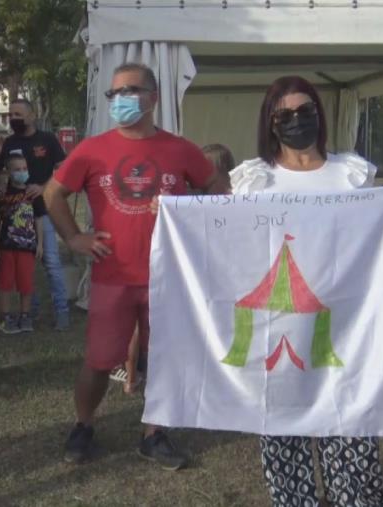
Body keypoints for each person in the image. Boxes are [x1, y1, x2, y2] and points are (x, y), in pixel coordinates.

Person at [228, 75, 383, 507]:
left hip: (346, 329)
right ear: (270, 122)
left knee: (349, 423)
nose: (297, 120)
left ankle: (355, 498)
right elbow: (232, 246)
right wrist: (173, 213)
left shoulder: (349, 174)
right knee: (284, 435)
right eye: (285, 114)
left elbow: (379, 235)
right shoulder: (255, 180)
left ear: (319, 114)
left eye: (305, 110)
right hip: (278, 329)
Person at [43, 62, 226, 470]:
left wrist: (189, 209)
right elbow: (53, 194)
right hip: (113, 276)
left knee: (162, 358)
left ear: (154, 98)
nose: (120, 99)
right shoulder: (92, 149)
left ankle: (153, 434)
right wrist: (74, 237)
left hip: (168, 276)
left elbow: (217, 188)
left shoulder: (180, 150)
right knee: (98, 359)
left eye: (130, 91)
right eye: (114, 93)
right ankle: (83, 425)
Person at [110, 141, 239, 394]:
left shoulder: (227, 198)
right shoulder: (197, 199)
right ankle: (137, 374)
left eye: (201, 167)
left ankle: (135, 376)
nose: (194, 173)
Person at [0, 99, 70, 331]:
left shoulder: (47, 139)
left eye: (18, 114)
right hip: (16, 217)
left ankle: (62, 311)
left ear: (32, 115)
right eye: (11, 114)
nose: (13, 118)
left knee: (51, 262)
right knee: (24, 265)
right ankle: (29, 311)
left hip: (42, 211)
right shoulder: (10, 142)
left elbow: (64, 169)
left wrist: (44, 187)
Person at [0, 153, 44, 334]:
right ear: (8, 172)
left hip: (27, 247)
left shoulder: (33, 194)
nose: (22, 172)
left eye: (24, 169)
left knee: (26, 283)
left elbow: (38, 220)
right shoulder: (2, 195)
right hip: (6, 246)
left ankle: (25, 315)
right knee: (5, 283)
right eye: (17, 169)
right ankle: (5, 317)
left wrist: (40, 244)